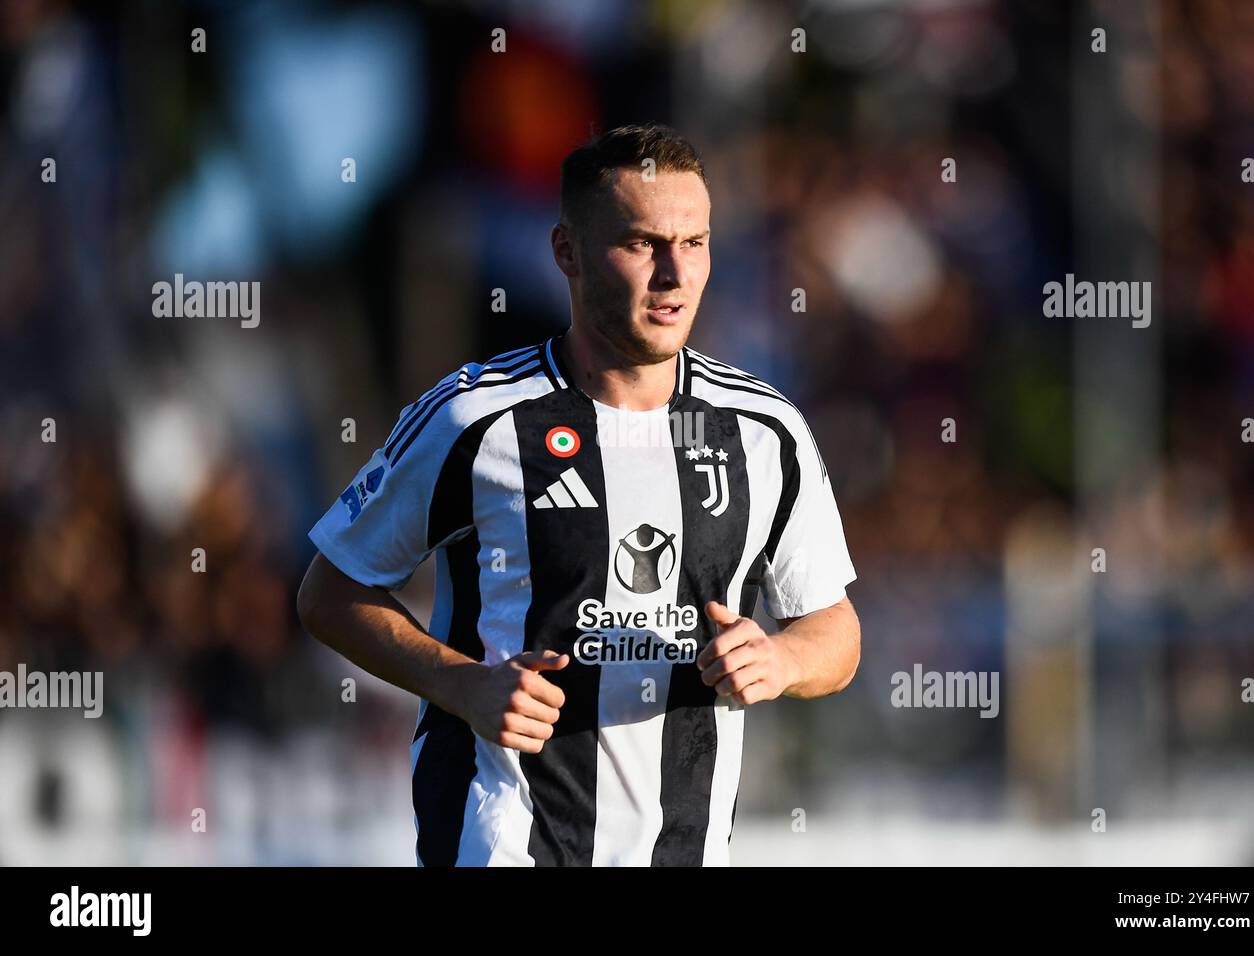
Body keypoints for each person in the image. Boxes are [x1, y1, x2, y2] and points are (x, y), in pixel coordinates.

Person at [296, 123, 860, 866]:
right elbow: (330, 592)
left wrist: (782, 661)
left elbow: (836, 631)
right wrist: (460, 684)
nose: (674, 274)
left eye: (694, 243)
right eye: (641, 243)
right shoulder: (475, 419)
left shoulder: (765, 432)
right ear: (568, 251)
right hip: (503, 842)